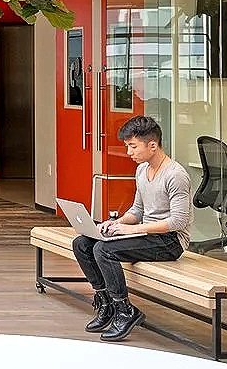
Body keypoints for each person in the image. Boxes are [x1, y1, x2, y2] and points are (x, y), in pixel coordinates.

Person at [73, 114, 192, 342]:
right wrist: (117, 224)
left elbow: (178, 222)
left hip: (169, 241)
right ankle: (106, 303)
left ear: (153, 145)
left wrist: (133, 230)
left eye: (133, 146)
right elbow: (137, 210)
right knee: (82, 243)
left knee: (103, 250)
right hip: (147, 234)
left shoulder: (175, 175)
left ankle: (125, 310)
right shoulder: (142, 170)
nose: (129, 153)